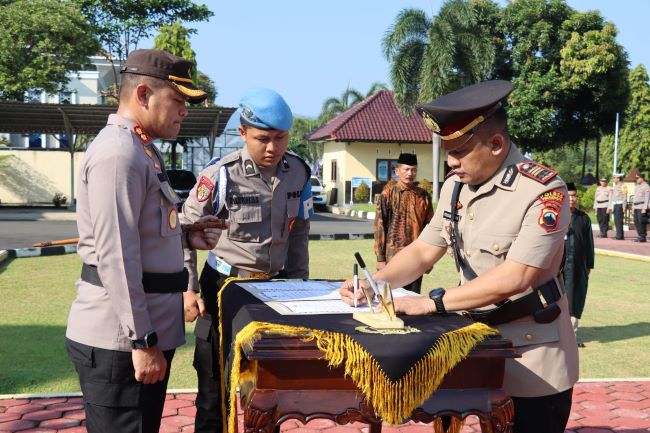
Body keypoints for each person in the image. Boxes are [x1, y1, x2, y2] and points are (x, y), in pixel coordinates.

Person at [340, 80, 578, 433]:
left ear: (496, 144)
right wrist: (377, 283)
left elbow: (518, 276)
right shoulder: (456, 186)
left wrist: (432, 303)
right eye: (447, 149)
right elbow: (423, 250)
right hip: (473, 343)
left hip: (531, 352)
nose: (450, 161)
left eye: (460, 151)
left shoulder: (543, 191)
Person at [65, 49, 220, 433]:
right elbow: (116, 255)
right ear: (144, 94)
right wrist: (142, 341)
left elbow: (139, 230)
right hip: (122, 339)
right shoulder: (119, 153)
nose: (184, 110)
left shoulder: (139, 147)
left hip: (137, 332)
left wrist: (185, 233)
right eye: (178, 100)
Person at [180, 87, 313, 433]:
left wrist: (301, 286)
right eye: (262, 139)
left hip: (274, 289)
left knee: (269, 389)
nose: (272, 148)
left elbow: (298, 232)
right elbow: (182, 230)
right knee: (214, 388)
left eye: (280, 138)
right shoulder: (220, 174)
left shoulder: (298, 172)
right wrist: (188, 288)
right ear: (242, 133)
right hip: (224, 289)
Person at [374, 152, 433, 293]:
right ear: (397, 171)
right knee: (391, 297)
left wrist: (429, 258)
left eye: (413, 170)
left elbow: (430, 227)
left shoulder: (423, 196)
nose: (410, 173)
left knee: (412, 297)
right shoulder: (387, 194)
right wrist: (380, 258)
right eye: (406, 169)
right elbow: (380, 226)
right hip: (392, 258)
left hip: (416, 257)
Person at [563, 182, 594, 347]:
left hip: (577, 266)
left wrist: (589, 264)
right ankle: (557, 335)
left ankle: (572, 336)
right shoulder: (554, 216)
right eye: (569, 195)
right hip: (558, 267)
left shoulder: (583, 218)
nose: (572, 199)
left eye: (574, 195)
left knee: (575, 298)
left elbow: (589, 243)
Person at [632, 172, 650, 242]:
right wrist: (633, 206)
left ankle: (643, 237)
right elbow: (635, 198)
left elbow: (647, 198)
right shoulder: (637, 186)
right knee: (636, 222)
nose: (636, 180)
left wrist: (644, 208)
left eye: (637, 178)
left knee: (641, 222)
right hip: (636, 207)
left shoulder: (646, 186)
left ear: (641, 178)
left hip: (642, 207)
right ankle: (639, 235)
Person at [611, 174, 627, 240]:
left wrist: (624, 206)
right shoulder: (616, 186)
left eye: (615, 178)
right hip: (615, 205)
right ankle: (619, 235)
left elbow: (625, 196)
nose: (613, 179)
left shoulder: (623, 186)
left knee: (619, 221)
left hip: (620, 205)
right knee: (616, 221)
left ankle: (619, 236)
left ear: (618, 179)